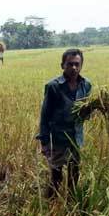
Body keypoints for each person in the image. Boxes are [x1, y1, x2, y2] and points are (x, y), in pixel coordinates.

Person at [36, 48, 93, 197]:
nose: (74, 68)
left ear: (81, 65)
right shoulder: (53, 87)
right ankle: (51, 205)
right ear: (62, 65)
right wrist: (44, 142)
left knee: (74, 175)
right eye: (70, 64)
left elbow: (84, 114)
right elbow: (45, 116)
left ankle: (71, 204)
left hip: (76, 139)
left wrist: (93, 108)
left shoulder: (86, 85)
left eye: (77, 64)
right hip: (58, 139)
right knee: (56, 176)